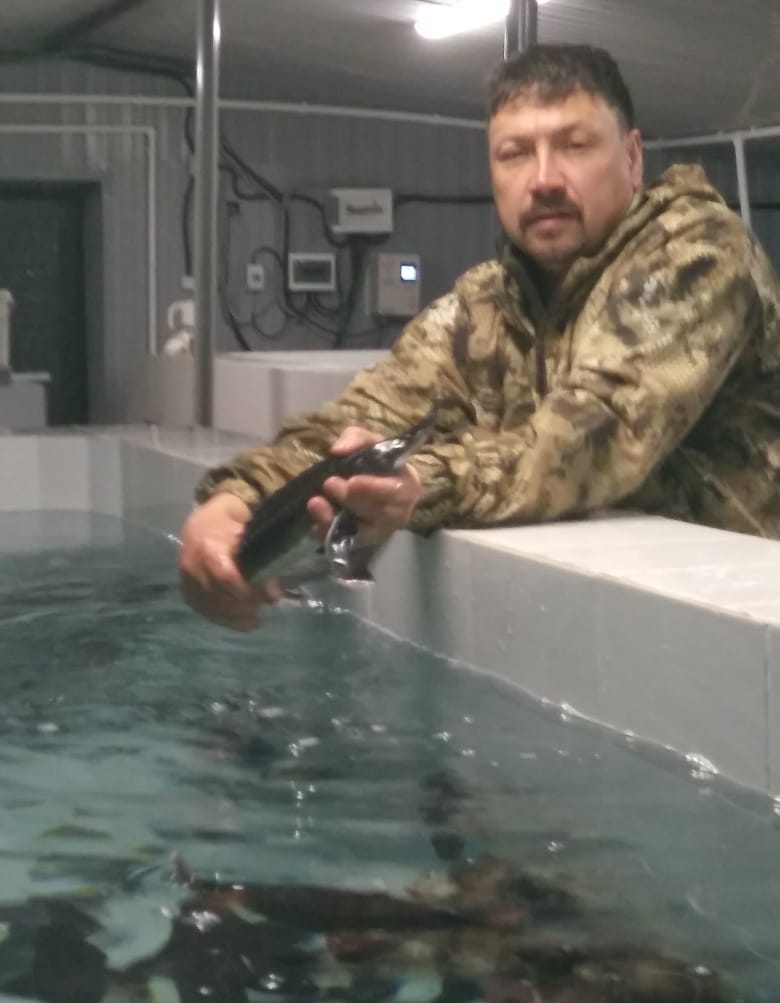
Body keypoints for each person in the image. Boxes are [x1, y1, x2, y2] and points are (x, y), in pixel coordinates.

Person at [180, 44, 780, 630]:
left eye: (574, 145)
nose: (543, 180)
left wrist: (420, 483)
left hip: (741, 628)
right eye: (515, 154)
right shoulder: (487, 304)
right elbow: (360, 420)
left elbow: (592, 436)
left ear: (632, 156)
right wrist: (233, 504)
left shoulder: (700, 252)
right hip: (613, 622)